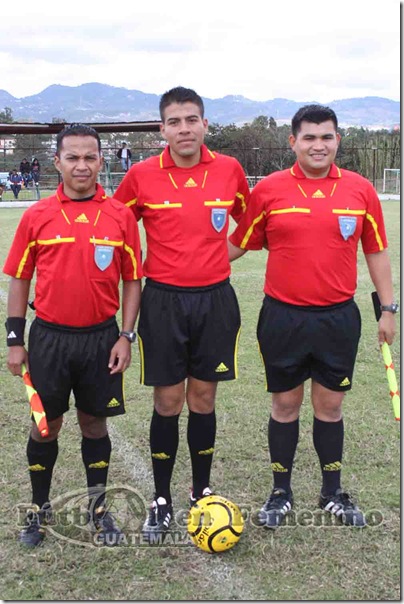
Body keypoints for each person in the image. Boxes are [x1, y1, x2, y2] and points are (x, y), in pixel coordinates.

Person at [228, 104, 398, 529]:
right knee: (285, 405)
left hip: (338, 318)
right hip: (282, 317)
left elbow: (375, 251)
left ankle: (331, 492)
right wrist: (180, 261)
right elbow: (238, 244)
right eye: (309, 137)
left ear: (338, 140)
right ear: (293, 142)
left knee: (331, 406)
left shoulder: (360, 191)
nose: (318, 145)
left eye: (326, 137)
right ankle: (280, 493)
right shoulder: (269, 190)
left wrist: (388, 309)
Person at [114, 86, 250, 541]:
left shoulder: (229, 170)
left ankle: (201, 492)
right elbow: (115, 227)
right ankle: (161, 499)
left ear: (205, 124)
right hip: (163, 302)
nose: (184, 129)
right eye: (174, 122)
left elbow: (251, 228)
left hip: (214, 301)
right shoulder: (141, 175)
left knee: (204, 400)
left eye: (192, 119)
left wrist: (214, 260)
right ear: (162, 130)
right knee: (168, 402)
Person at [3, 124, 143, 548]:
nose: (81, 165)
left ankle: (98, 510)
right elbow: (20, 278)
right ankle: (39, 508)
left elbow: (133, 281)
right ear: (57, 162)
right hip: (48, 339)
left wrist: (126, 336)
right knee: (45, 426)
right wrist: (14, 340)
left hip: (101, 339)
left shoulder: (120, 216)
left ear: (101, 161)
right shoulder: (37, 215)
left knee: (94, 424)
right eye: (72, 157)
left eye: (89, 157)